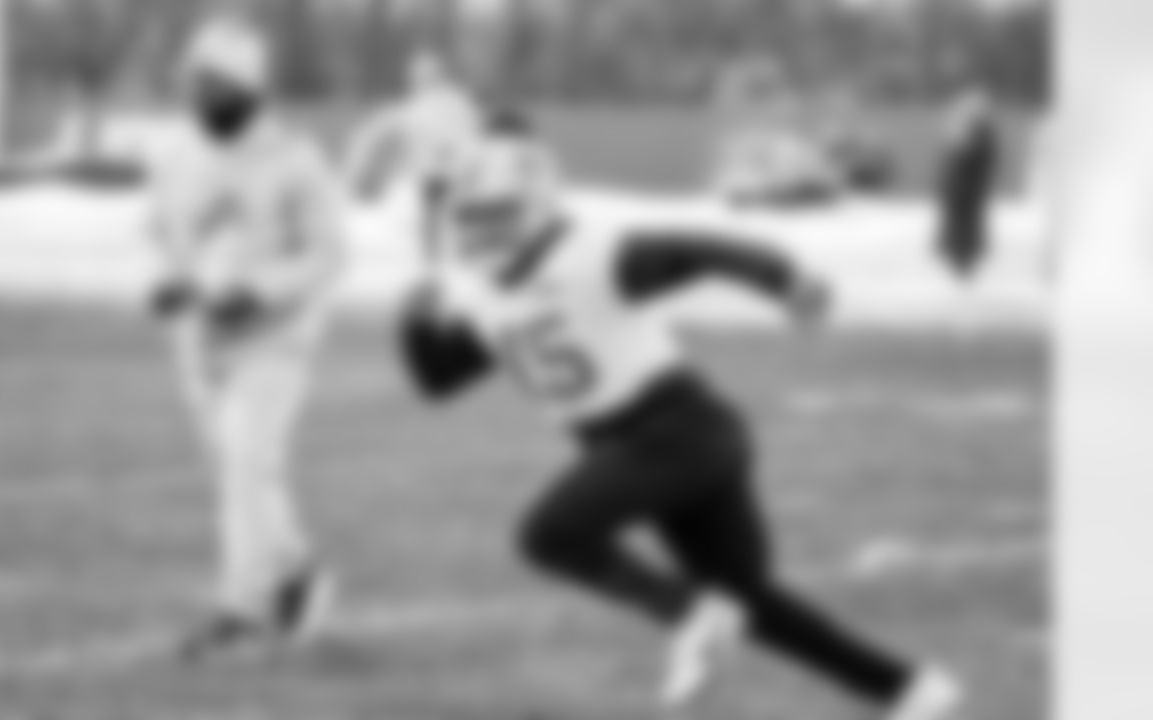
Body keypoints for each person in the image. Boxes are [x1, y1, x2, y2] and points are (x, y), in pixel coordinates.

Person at [400, 119, 962, 719]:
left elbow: (707, 251)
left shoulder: (591, 254)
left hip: (673, 430)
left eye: (496, 213)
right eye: (473, 216)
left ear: (537, 205)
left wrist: (788, 281)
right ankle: (912, 691)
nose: (483, 230)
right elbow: (438, 380)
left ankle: (691, 615)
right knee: (752, 602)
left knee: (550, 535)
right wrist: (413, 318)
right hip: (661, 444)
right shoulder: (489, 293)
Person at [143, 15, 347, 659]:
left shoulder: (295, 157)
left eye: (210, 82)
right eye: (191, 80)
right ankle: (296, 574)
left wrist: (258, 290)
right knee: (244, 473)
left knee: (243, 460)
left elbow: (328, 254)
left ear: (246, 86)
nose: (195, 93)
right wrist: (170, 281)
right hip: (198, 339)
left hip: (275, 339)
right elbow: (161, 233)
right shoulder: (175, 153)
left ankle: (243, 609)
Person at [342, 51, 485, 272]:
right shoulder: (422, 106)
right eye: (417, 76)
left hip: (450, 169)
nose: (418, 80)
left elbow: (466, 132)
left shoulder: (448, 102)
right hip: (439, 172)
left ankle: (444, 260)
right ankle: (437, 262)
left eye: (422, 76)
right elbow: (398, 137)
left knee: (443, 215)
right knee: (436, 216)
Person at [936, 87, 1001, 282]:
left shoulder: (978, 135)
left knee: (964, 225)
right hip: (963, 192)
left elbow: (967, 161)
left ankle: (963, 263)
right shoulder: (977, 134)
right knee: (962, 224)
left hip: (965, 191)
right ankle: (962, 262)